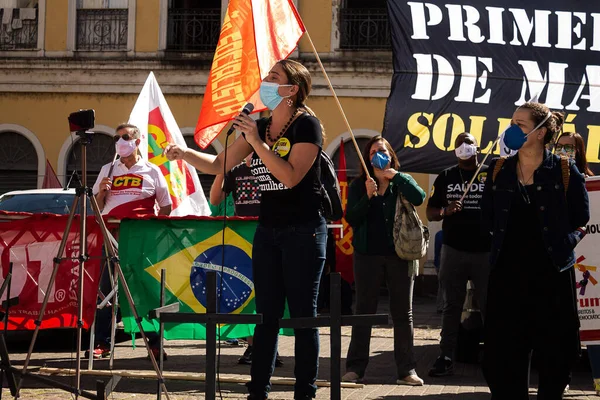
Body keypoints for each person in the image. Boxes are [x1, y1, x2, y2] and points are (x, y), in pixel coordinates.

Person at [166, 59, 327, 400]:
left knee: (302, 316)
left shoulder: (307, 126)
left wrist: (255, 141)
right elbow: (218, 164)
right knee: (266, 315)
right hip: (268, 232)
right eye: (266, 77)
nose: (265, 82)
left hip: (304, 232)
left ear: (291, 90)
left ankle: (305, 392)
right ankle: (259, 390)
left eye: (273, 78)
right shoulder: (263, 127)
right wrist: (183, 153)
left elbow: (290, 176)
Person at [481, 102, 590, 399]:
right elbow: (487, 213)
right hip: (507, 273)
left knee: (557, 350)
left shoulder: (564, 170)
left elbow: (581, 218)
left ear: (541, 133)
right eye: (512, 122)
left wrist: (567, 242)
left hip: (551, 273)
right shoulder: (499, 169)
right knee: (503, 352)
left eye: (521, 125)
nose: (512, 129)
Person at [341, 135, 426, 386]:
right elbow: (352, 219)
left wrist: (396, 177)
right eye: (373, 152)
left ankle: (406, 370)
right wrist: (368, 197)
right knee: (363, 312)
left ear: (391, 155)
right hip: (367, 256)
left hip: (400, 255)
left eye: (383, 150)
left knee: (403, 314)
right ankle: (355, 369)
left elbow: (419, 197)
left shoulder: (401, 181)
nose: (379, 154)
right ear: (367, 159)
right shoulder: (359, 185)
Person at [89, 123, 172, 360]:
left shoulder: (152, 170)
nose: (119, 142)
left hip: (142, 239)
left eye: (125, 137)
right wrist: (102, 192)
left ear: (137, 140)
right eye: (116, 138)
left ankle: (154, 344)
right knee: (106, 290)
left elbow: (166, 206)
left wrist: (152, 230)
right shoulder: (107, 169)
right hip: (112, 236)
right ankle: (102, 343)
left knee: (144, 290)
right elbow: (96, 209)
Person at [209, 154, 283, 368]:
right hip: (240, 241)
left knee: (266, 294)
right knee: (242, 292)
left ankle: (268, 346)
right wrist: (222, 169)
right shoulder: (236, 170)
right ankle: (255, 344)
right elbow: (215, 199)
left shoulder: (272, 166)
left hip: (268, 237)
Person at [426, 132, 491, 377]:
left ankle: (495, 356)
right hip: (453, 250)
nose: (464, 147)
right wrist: (446, 210)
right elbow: (430, 213)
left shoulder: (489, 174)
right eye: (460, 144)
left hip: (485, 251)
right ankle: (446, 356)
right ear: (454, 150)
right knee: (451, 306)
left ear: (477, 148)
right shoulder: (446, 176)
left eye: (469, 143)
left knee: (489, 305)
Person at [556, 131, 598, 394]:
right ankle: (561, 376)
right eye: (560, 146)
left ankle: (598, 378)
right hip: (564, 259)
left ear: (580, 150)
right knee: (564, 325)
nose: (564, 151)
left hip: (591, 266)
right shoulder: (550, 177)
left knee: (595, 321)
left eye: (569, 147)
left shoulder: (591, 181)